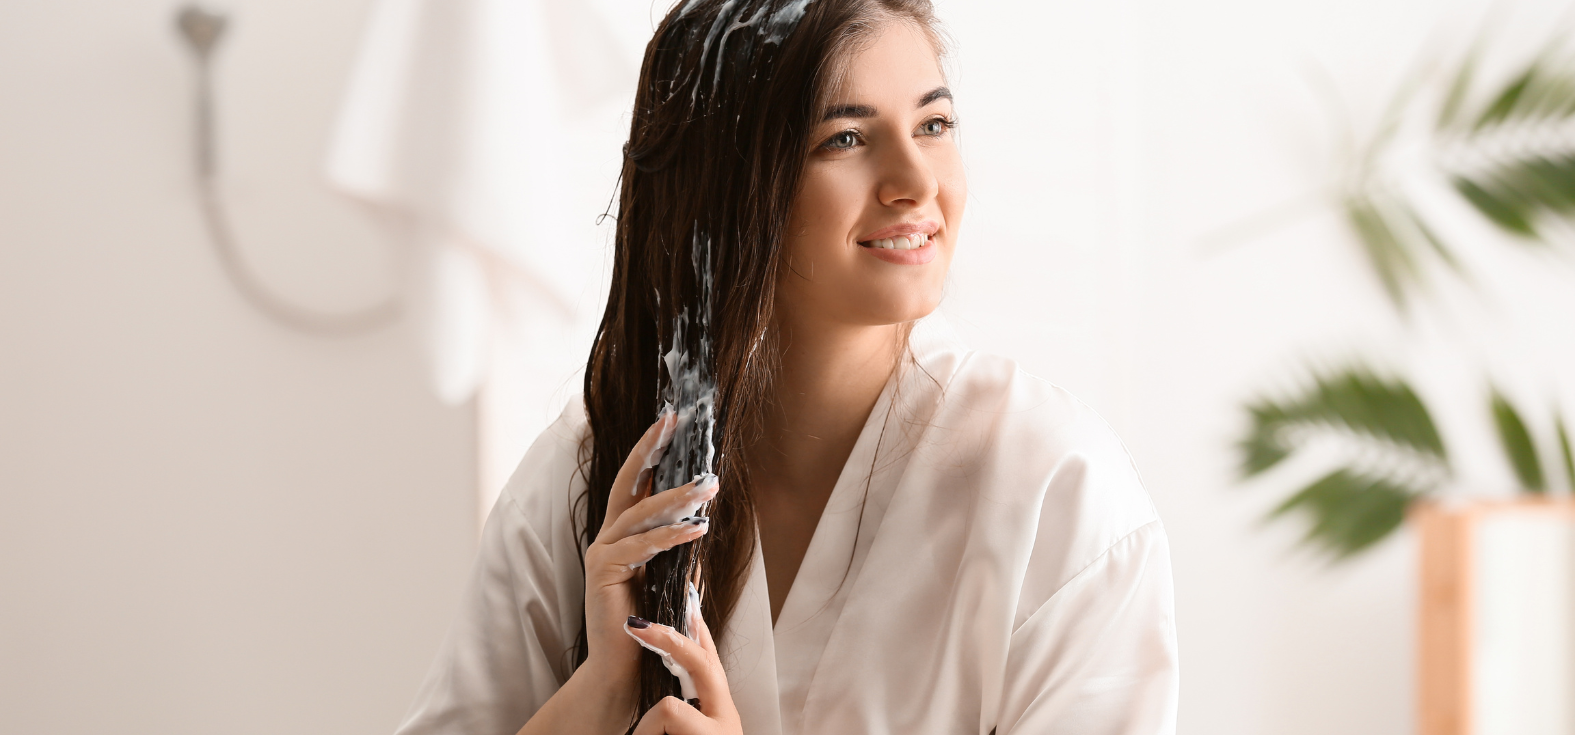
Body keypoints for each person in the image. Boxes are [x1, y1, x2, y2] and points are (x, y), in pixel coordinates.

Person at [393, 1, 1179, 733]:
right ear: (729, 183)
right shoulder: (594, 468)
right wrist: (601, 686)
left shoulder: (1057, 490)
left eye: (933, 123)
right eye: (845, 138)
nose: (915, 183)